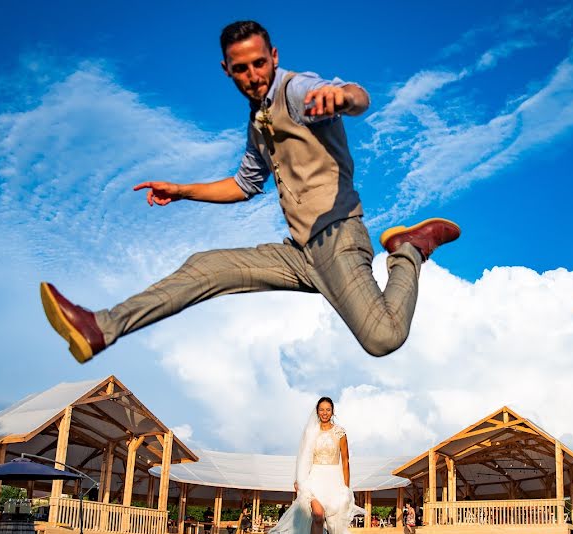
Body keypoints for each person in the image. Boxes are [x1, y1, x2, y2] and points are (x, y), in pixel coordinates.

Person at [39, 20, 460, 365]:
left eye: (260, 63)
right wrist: (183, 190)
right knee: (205, 268)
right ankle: (100, 327)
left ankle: (409, 249)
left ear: (274, 57)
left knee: (382, 339)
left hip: (337, 240)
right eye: (241, 69)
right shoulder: (256, 121)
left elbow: (358, 96)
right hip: (298, 254)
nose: (253, 76)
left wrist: (342, 96)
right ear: (226, 68)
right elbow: (245, 185)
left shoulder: (297, 91)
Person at [268, 397, 363, 534]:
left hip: (335, 479)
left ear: (333, 411)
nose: (325, 413)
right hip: (315, 478)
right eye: (321, 409)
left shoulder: (340, 433)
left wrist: (346, 487)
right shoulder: (311, 431)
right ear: (317, 411)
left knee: (333, 521)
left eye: (328, 409)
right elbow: (303, 456)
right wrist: (300, 479)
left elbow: (346, 461)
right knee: (318, 516)